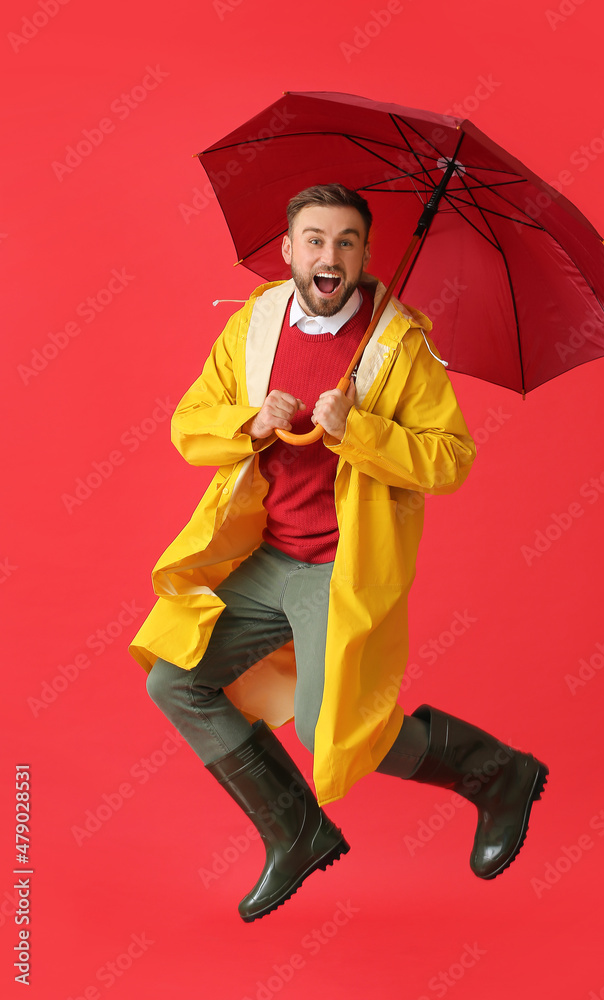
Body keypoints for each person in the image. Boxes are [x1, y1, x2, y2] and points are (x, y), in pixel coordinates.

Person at [130, 184, 548, 923]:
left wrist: (358, 430)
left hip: (337, 568)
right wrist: (250, 423)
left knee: (337, 731)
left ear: (363, 253)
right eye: (315, 240)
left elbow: (450, 461)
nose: (330, 256)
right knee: (174, 680)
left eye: (346, 242)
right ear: (288, 250)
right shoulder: (254, 326)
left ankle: (495, 773)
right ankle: (294, 830)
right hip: (262, 558)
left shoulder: (399, 344)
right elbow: (187, 424)